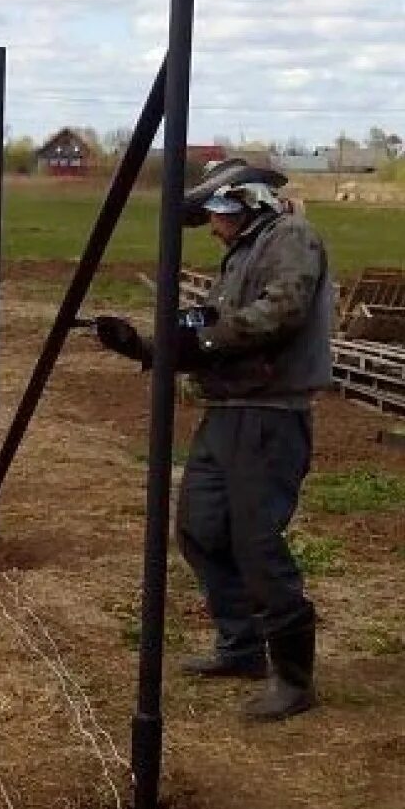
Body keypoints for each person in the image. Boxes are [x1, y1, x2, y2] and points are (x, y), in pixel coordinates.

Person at [95, 159, 333, 722]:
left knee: (256, 542)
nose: (211, 226)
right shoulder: (244, 250)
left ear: (246, 201)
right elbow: (212, 327)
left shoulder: (291, 236)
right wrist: (148, 348)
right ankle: (241, 645)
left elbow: (281, 312)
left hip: (269, 414)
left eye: (216, 213)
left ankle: (294, 679)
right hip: (226, 411)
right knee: (200, 528)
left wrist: (200, 344)